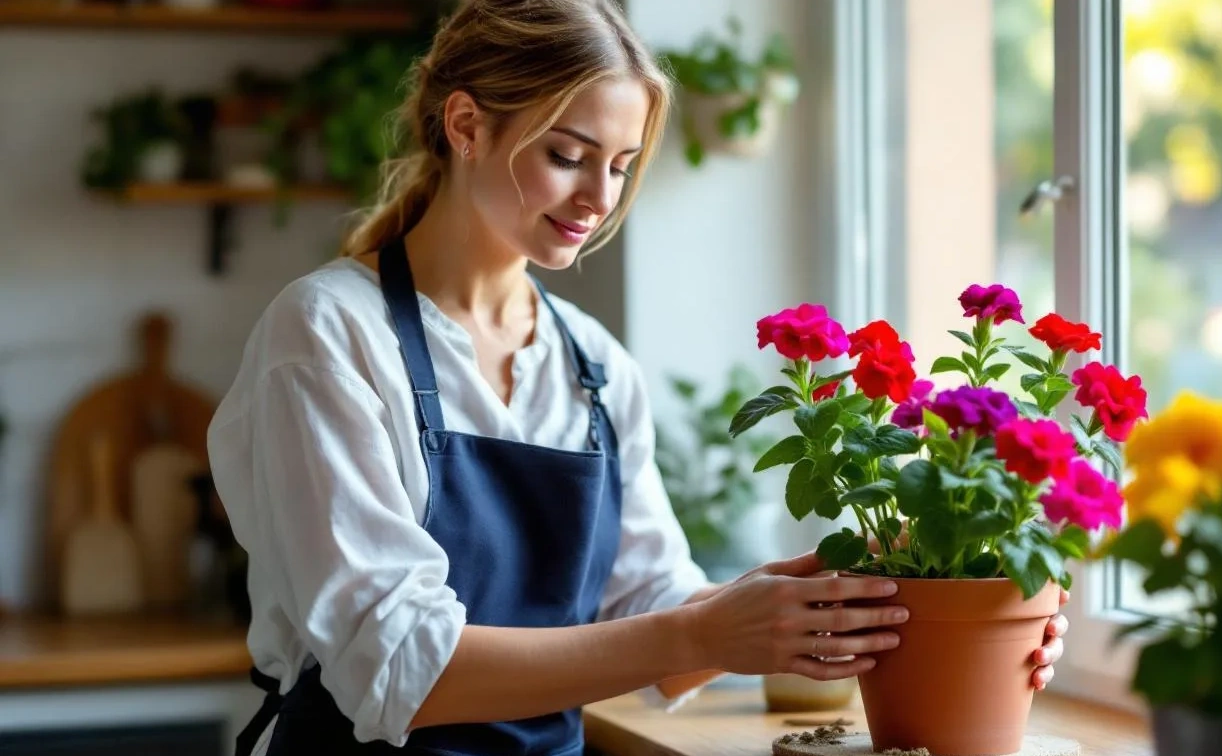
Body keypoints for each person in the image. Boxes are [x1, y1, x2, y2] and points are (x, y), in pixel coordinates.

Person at [206, 1, 1068, 754]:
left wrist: (863, 597)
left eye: (619, 167)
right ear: (465, 126)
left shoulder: (592, 366)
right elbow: (396, 668)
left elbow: (656, 613)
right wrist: (694, 629)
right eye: (570, 155)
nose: (599, 198)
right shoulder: (327, 334)